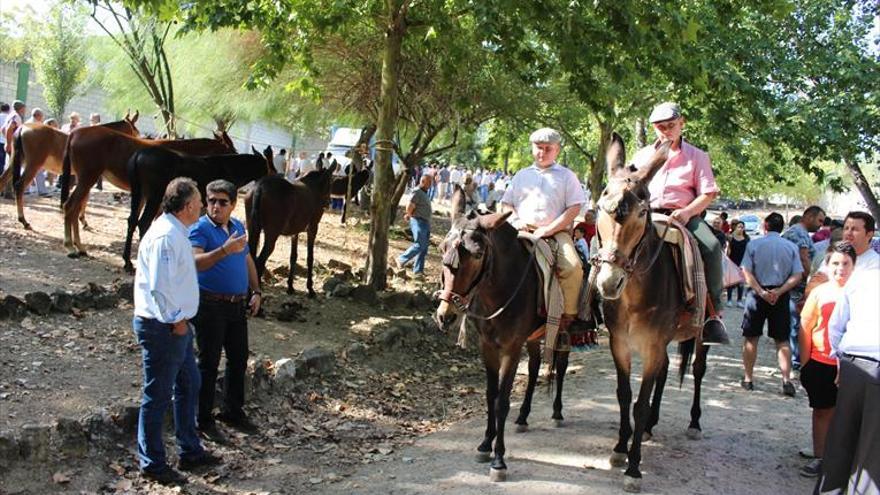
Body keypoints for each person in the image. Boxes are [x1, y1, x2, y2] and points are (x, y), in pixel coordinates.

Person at [132, 178, 221, 486]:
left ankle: (190, 449)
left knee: (189, 383)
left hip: (177, 325)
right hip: (164, 327)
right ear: (186, 206)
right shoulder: (166, 236)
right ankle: (152, 462)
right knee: (157, 394)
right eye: (199, 201)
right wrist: (176, 321)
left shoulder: (176, 231)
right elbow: (159, 286)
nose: (202, 205)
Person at [633, 102, 727, 345]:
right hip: (648, 215)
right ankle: (598, 305)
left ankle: (713, 314)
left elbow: (708, 193)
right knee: (611, 245)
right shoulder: (642, 156)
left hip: (684, 215)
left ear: (681, 123)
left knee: (712, 247)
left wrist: (686, 213)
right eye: (660, 127)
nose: (665, 131)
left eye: (670, 125)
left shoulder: (697, 156)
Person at [189, 180, 262, 442]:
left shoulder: (238, 227)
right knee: (208, 363)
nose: (215, 206)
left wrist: (256, 291)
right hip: (210, 305)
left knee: (238, 358)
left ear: (232, 204)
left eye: (222, 202)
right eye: (211, 201)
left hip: (236, 304)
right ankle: (203, 418)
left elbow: (246, 259)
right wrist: (223, 250)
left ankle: (233, 411)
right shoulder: (200, 229)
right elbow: (195, 262)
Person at [501, 127, 585, 329]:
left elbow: (574, 208)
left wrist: (549, 230)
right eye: (539, 148)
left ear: (557, 150)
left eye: (548, 148)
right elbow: (506, 203)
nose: (543, 152)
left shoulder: (567, 176)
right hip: (521, 229)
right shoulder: (521, 175)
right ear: (532, 148)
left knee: (573, 267)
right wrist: (516, 220)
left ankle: (568, 316)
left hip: (556, 233)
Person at [816, 263, 880, 493]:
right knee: (872, 451)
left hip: (853, 362)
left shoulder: (862, 276)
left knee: (841, 437)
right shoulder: (864, 274)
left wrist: (839, 359)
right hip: (866, 361)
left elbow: (836, 325)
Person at [797, 242, 856, 478]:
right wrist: (805, 362)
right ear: (827, 265)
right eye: (835, 264)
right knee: (821, 411)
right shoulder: (820, 292)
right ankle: (820, 457)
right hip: (821, 361)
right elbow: (805, 326)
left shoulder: (862, 292)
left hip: (853, 362)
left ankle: (844, 458)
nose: (840, 269)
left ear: (854, 266)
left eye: (845, 264)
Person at [740, 212, 803, 396]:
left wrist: (760, 291)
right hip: (780, 295)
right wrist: (780, 291)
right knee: (782, 340)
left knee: (751, 337)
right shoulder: (791, 247)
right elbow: (798, 274)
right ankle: (786, 380)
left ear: (765, 226)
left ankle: (748, 378)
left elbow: (746, 270)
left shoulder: (754, 244)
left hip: (757, 294)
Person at [782, 205, 826, 369]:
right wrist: (811, 280)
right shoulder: (799, 233)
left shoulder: (795, 232)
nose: (821, 225)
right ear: (809, 217)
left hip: (794, 285)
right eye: (819, 220)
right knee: (796, 323)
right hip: (798, 287)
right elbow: (804, 258)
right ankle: (795, 360)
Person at [396, 174, 433, 279]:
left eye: (431, 182)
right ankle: (401, 259)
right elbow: (409, 206)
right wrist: (409, 214)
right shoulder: (417, 192)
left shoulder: (424, 193)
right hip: (418, 221)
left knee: (424, 248)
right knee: (420, 244)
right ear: (423, 181)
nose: (430, 184)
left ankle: (418, 270)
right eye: (429, 182)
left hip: (425, 222)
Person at [726, 220, 750, 308]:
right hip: (732, 261)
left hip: (742, 262)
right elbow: (728, 250)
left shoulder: (746, 238)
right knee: (731, 282)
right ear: (736, 227)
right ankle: (729, 300)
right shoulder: (731, 237)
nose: (740, 228)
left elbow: (748, 251)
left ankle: (739, 300)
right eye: (739, 226)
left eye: (742, 227)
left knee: (741, 282)